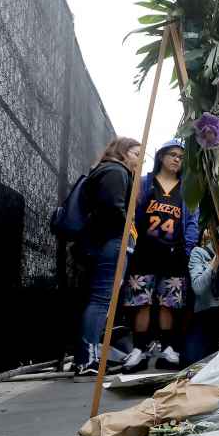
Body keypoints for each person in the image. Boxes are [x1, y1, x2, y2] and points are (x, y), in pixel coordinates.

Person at [122, 139, 198, 372]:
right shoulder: (145, 184)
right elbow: (131, 213)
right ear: (161, 156)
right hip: (145, 251)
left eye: (181, 156)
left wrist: (187, 249)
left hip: (173, 253)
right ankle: (139, 349)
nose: (177, 159)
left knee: (169, 302)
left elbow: (193, 221)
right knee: (141, 300)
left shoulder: (186, 190)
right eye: (173, 154)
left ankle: (168, 347)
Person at [76, 137, 141, 374]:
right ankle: (87, 360)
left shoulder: (107, 170)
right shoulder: (115, 171)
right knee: (101, 299)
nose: (139, 159)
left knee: (99, 299)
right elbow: (113, 208)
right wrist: (128, 233)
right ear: (122, 152)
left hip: (104, 241)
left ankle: (86, 357)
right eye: (135, 153)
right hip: (112, 241)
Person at [184, 231, 219, 365]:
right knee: (195, 362)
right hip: (208, 314)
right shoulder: (199, 252)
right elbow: (198, 288)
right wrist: (215, 262)